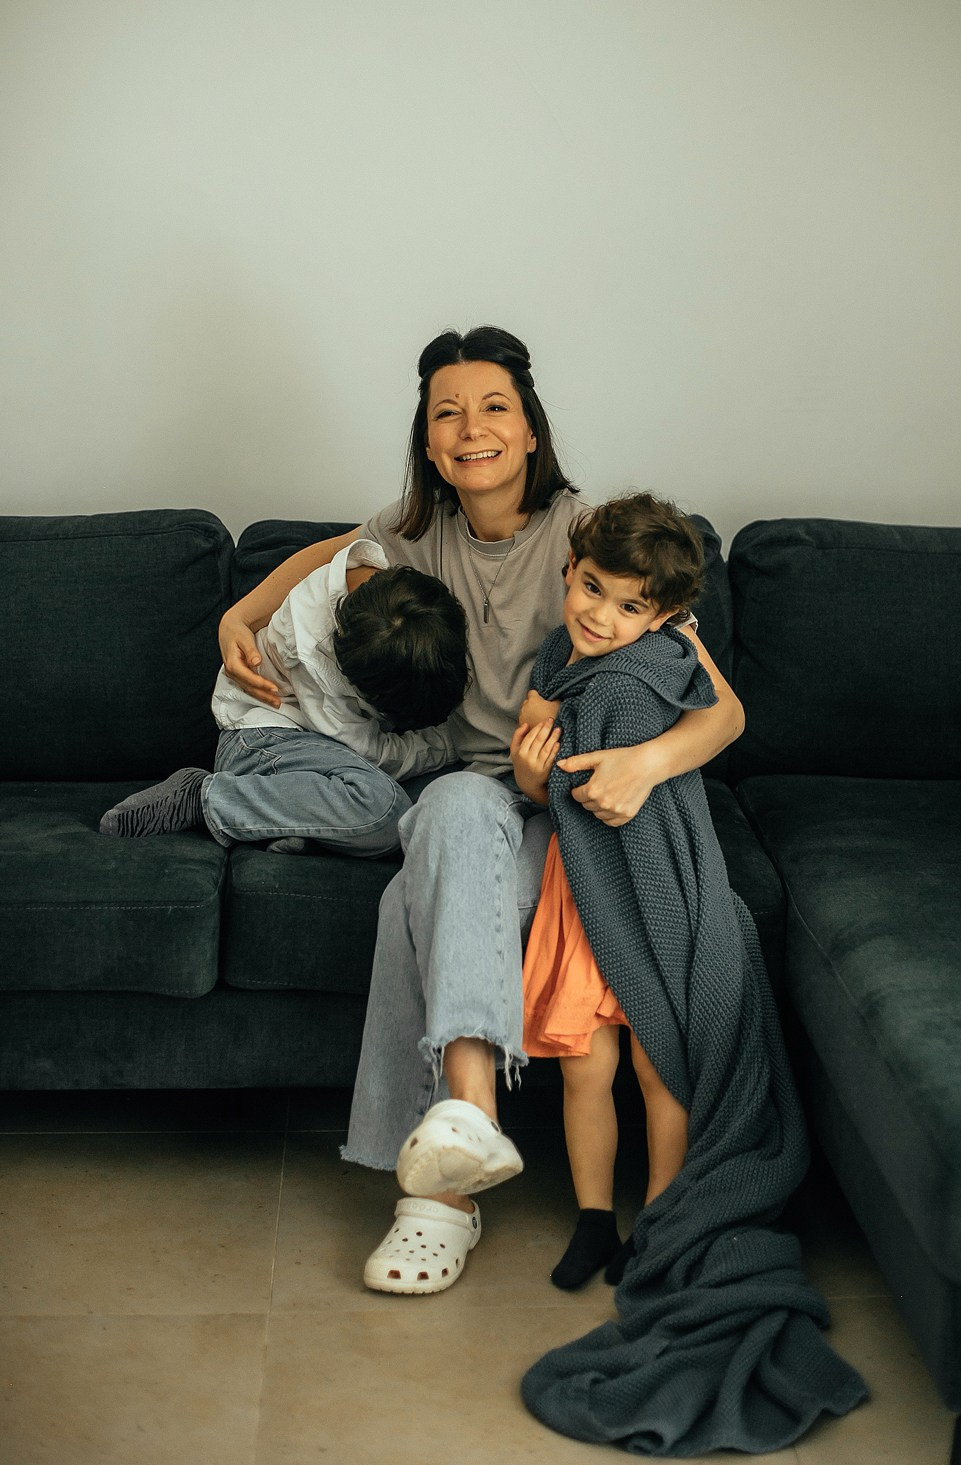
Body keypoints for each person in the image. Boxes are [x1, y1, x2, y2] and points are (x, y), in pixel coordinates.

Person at [215, 326, 743, 1295]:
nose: (471, 428)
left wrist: (647, 763)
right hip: (463, 788)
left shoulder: (591, 537)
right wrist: (237, 616)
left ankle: (435, 1191)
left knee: (407, 893)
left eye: (493, 406)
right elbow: (325, 554)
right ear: (426, 441)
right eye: (445, 412)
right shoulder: (407, 531)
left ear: (531, 430)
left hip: (566, 802)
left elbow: (723, 708)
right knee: (452, 809)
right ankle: (458, 1155)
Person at [511, 492, 711, 1290]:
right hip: (581, 883)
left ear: (660, 617)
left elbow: (685, 736)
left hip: (649, 875)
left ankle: (659, 1218)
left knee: (659, 1060)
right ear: (572, 571)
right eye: (591, 587)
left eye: (629, 607)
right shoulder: (559, 652)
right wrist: (532, 779)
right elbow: (542, 748)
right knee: (584, 1064)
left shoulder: (667, 662)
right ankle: (595, 1218)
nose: (601, 616)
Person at [100, 541, 469, 856]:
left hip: (326, 750)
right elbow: (371, 752)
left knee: (445, 808)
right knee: (388, 814)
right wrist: (453, 742)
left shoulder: (387, 589)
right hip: (262, 738)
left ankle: (298, 822)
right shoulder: (309, 651)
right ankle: (203, 797)